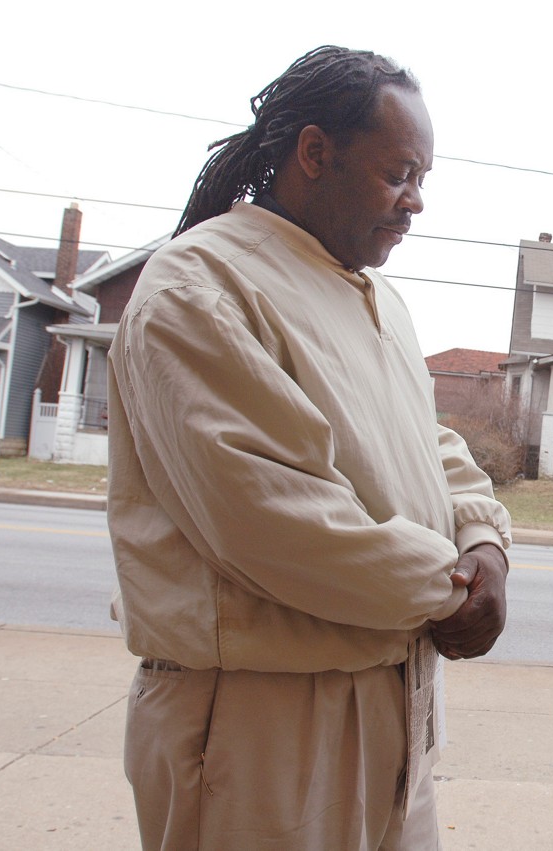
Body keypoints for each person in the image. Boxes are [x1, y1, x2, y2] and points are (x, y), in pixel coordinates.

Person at [106, 46, 512, 850]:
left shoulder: (378, 299)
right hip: (263, 728)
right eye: (399, 173)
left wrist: (485, 541)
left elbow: (428, 443)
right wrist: (452, 585)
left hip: (393, 706)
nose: (415, 202)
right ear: (316, 153)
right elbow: (273, 520)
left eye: (423, 178)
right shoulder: (201, 287)